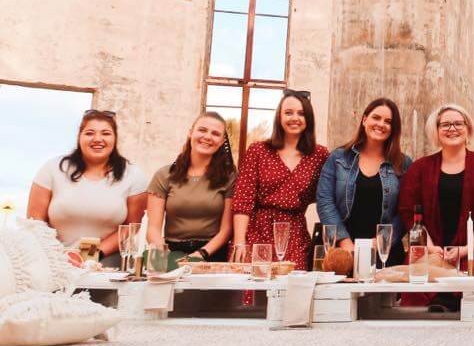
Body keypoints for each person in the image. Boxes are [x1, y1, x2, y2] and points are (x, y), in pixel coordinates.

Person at [27, 110, 147, 265]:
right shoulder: (52, 168)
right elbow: (35, 222)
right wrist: (58, 256)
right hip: (52, 256)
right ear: (79, 137)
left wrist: (89, 255)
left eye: (106, 133)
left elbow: (130, 228)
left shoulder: (133, 175)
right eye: (89, 133)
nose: (97, 139)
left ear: (115, 138)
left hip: (105, 258)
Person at [397, 104, 474, 274]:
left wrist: (466, 249)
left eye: (458, 124)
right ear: (436, 130)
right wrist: (431, 248)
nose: (452, 129)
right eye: (445, 125)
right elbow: (409, 212)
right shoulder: (419, 168)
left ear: (468, 128)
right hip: (428, 255)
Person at [231, 90, 329, 265]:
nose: (295, 118)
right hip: (257, 233)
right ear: (279, 116)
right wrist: (239, 242)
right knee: (255, 282)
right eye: (288, 112)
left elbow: (327, 196)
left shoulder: (319, 155)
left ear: (309, 118)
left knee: (293, 282)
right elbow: (243, 200)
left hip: (295, 234)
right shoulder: (258, 151)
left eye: (301, 113)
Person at [317, 98, 412, 263]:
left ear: (393, 129)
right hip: (341, 253)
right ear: (364, 120)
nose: (381, 124)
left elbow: (406, 210)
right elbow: (325, 200)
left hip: (385, 254)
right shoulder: (338, 158)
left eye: (388, 121)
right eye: (376, 117)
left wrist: (380, 242)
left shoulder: (403, 164)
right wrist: (345, 242)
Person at [146, 111, 237, 262]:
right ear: (190, 133)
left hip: (212, 254)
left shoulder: (229, 176)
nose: (207, 137)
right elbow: (153, 229)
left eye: (215, 133)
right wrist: (164, 253)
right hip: (171, 253)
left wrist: (200, 255)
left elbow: (227, 229)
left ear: (222, 142)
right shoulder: (163, 175)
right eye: (202, 130)